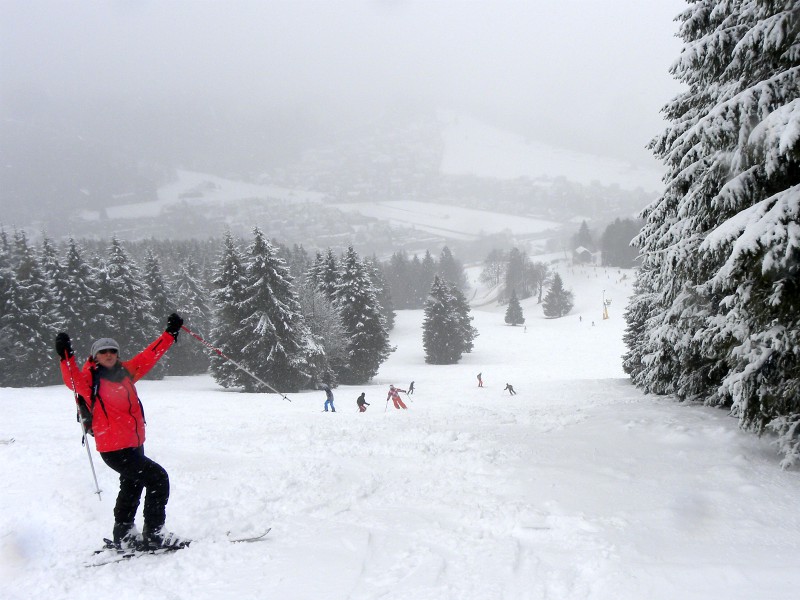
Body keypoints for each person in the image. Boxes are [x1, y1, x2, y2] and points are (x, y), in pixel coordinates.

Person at [54, 313, 186, 551]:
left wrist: (170, 334)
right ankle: (155, 533)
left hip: (134, 443)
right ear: (95, 356)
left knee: (132, 484)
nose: (108, 355)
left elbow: (150, 355)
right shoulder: (89, 380)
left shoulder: (126, 372)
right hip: (113, 448)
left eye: (112, 351)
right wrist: (66, 356)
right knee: (158, 478)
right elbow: (71, 379)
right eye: (103, 352)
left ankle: (124, 533)